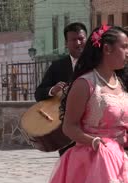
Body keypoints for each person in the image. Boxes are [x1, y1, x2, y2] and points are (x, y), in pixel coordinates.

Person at [24, 25, 128, 183]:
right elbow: (70, 126)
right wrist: (95, 142)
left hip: (119, 162)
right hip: (89, 164)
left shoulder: (119, 83)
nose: (127, 52)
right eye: (124, 46)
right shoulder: (85, 84)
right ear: (107, 49)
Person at [35, 22, 87, 155]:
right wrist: (53, 90)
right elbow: (39, 93)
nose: (78, 43)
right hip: (66, 132)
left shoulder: (97, 64)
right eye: (73, 40)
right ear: (66, 43)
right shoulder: (57, 66)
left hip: (90, 129)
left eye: (81, 39)